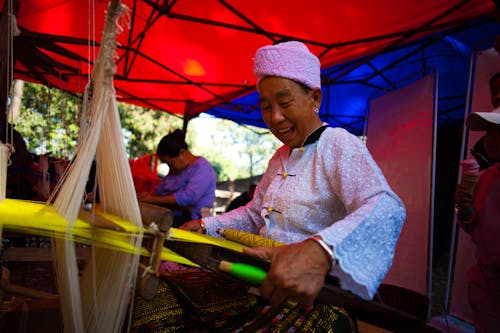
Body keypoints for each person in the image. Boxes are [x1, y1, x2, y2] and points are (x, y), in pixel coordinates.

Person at [180, 41, 406, 316]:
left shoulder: (337, 144)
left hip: (311, 298)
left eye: (285, 102)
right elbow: (255, 215)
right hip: (264, 280)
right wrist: (207, 225)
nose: (275, 117)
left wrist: (319, 251)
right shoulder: (279, 157)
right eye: (265, 107)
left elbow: (386, 206)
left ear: (315, 99)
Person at [454, 94, 500, 331]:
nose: (492, 139)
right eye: (490, 132)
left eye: (499, 131)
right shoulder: (485, 179)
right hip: (487, 289)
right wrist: (465, 208)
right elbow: (473, 226)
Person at [138, 129, 217, 227]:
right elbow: (160, 189)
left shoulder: (203, 169)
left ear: (182, 153)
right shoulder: (176, 170)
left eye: (171, 164)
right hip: (172, 216)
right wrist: (145, 196)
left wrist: (151, 200)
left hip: (192, 222)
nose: (170, 168)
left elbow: (188, 198)